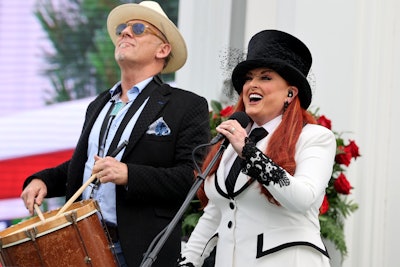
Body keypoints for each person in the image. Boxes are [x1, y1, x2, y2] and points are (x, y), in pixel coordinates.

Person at [20, 1, 210, 266]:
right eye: (123, 28)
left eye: (139, 28)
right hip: (82, 245)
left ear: (163, 49)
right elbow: (86, 166)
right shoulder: (99, 104)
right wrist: (41, 180)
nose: (125, 32)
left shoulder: (186, 106)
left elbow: (191, 179)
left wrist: (129, 174)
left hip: (138, 251)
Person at [177, 29, 336, 267]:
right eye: (248, 78)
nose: (252, 84)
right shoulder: (233, 144)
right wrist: (189, 261)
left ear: (290, 93)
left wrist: (250, 154)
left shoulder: (315, 137)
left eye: (265, 77)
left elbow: (303, 198)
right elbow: (216, 214)